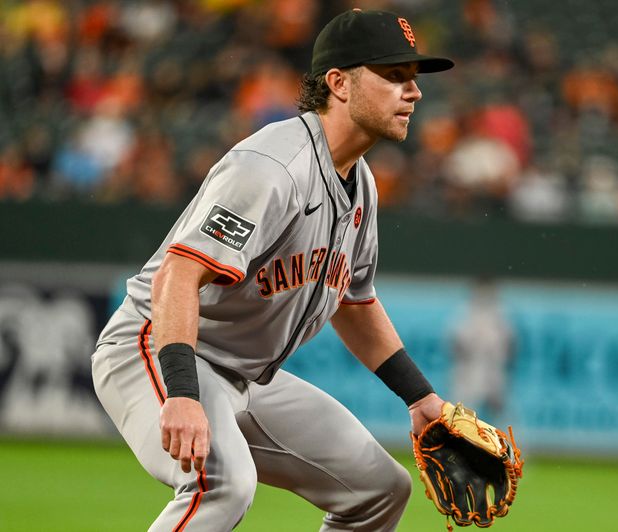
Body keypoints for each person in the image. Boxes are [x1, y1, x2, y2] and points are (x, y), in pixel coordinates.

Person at [91, 9, 454, 531]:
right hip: (157, 349)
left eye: (414, 79)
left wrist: (421, 398)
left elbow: (353, 301)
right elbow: (178, 276)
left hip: (245, 376)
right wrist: (183, 394)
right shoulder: (272, 167)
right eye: (394, 76)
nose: (414, 92)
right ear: (339, 84)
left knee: (380, 490)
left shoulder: (362, 185)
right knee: (221, 482)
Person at [449, 275, 515, 423]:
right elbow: (455, 343)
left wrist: (500, 361)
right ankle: (455, 444)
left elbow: (510, 343)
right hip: (469, 371)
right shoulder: (465, 311)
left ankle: (514, 444)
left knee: (502, 412)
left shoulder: (500, 312)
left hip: (493, 369)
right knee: (461, 414)